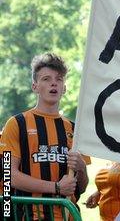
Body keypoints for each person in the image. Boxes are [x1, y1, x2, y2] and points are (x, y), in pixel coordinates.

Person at [0, 53, 89, 220]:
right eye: (46, 79)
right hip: (28, 216)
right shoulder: (15, 123)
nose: (54, 83)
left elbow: (81, 188)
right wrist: (56, 187)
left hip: (68, 216)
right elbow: (8, 175)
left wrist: (82, 168)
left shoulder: (75, 129)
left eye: (59, 79)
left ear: (64, 88)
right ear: (35, 86)